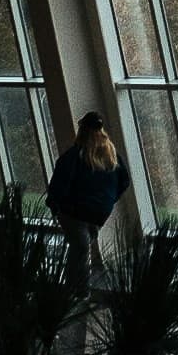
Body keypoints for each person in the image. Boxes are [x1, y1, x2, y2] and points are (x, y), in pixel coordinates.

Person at [46, 112, 131, 299]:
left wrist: (55, 205)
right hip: (87, 214)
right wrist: (108, 199)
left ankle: (73, 291)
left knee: (80, 250)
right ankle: (77, 291)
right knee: (81, 249)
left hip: (78, 213)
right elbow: (124, 181)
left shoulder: (76, 156)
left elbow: (59, 183)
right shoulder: (110, 155)